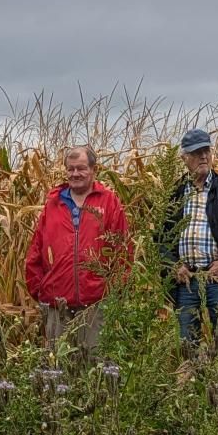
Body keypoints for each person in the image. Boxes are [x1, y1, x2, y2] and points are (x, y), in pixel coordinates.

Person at [24, 146, 132, 357]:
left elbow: (123, 251)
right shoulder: (53, 205)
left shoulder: (109, 202)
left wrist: (114, 293)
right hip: (57, 306)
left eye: (81, 168)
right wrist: (41, 291)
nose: (75, 174)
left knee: (95, 367)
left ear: (94, 169)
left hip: (96, 305)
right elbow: (35, 252)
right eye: (70, 169)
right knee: (59, 367)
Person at [160, 128, 218, 345]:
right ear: (184, 158)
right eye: (196, 152)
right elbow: (161, 240)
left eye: (206, 151)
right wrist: (174, 266)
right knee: (187, 344)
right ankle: (191, 378)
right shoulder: (174, 193)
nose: (203, 156)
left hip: (217, 279)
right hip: (186, 282)